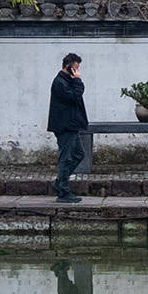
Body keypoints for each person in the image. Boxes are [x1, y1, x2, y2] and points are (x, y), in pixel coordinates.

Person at [48, 53, 90, 204]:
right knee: (66, 158)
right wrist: (78, 80)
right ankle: (63, 192)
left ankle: (60, 182)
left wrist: (75, 81)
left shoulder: (67, 81)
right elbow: (74, 97)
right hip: (65, 126)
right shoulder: (60, 82)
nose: (78, 71)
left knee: (79, 154)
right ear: (69, 67)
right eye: (76, 68)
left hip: (72, 125)